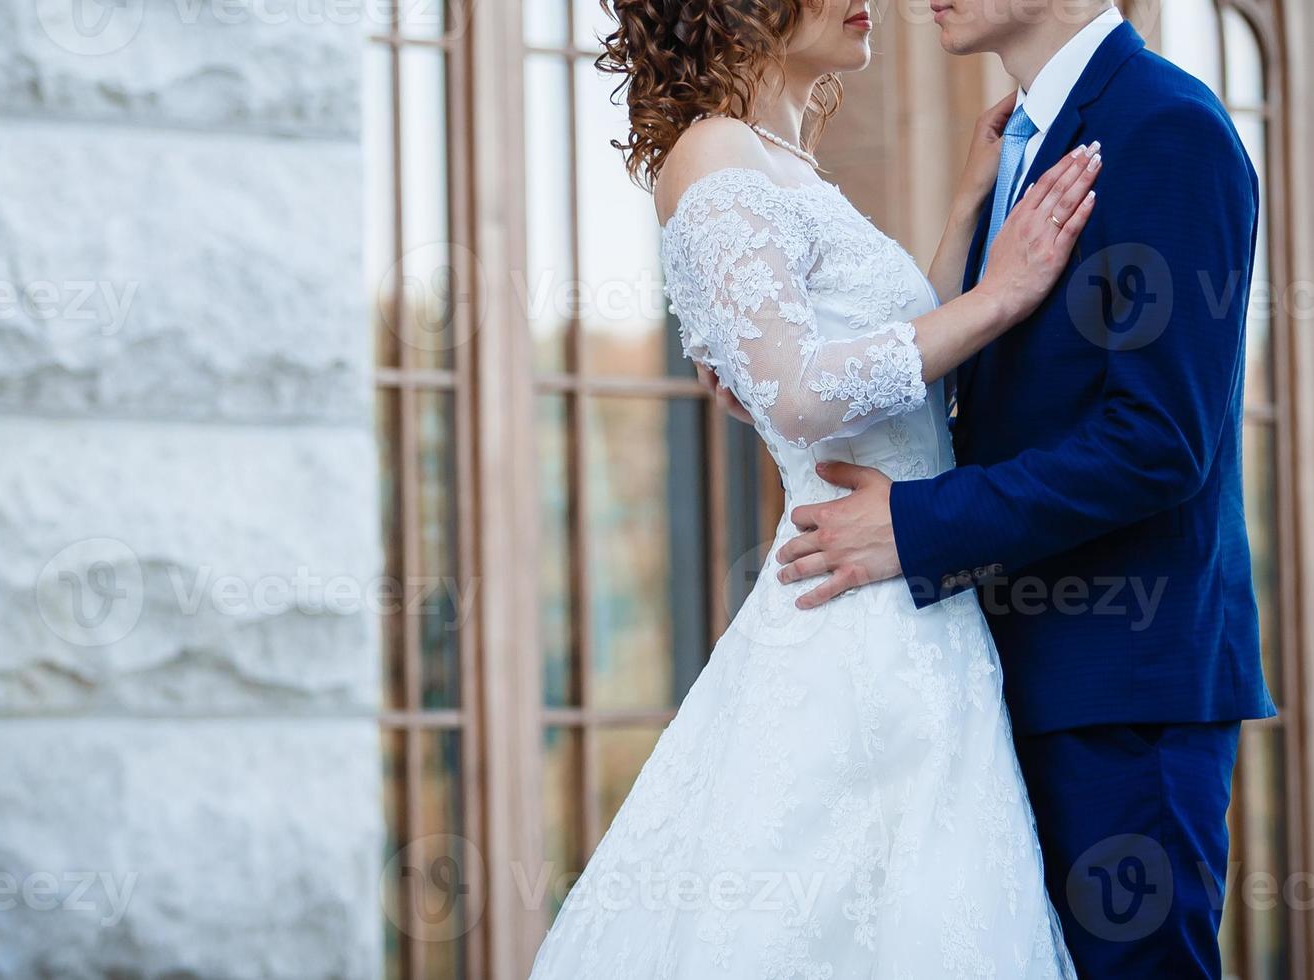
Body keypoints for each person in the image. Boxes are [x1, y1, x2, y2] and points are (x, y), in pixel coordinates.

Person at [527, 0, 1108, 975]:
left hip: (919, 598)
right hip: (852, 610)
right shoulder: (713, 154)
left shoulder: (788, 166)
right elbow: (798, 393)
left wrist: (971, 206)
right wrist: (998, 294)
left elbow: (889, 383)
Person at [765, 1, 1275, 976]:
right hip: (1002, 677)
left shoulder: (1165, 128)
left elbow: (1160, 441)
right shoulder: (1020, 146)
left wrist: (911, 527)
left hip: (1116, 694)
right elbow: (1018, 400)